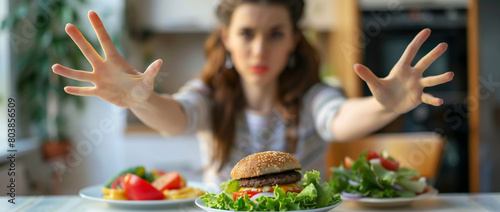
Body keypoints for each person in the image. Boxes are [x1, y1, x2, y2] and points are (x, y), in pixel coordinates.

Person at [52, 0, 453, 187]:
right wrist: (142, 100)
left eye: (275, 34)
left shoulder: (314, 94)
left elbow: (340, 118)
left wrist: (383, 106)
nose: (259, 49)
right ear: (226, 37)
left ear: (294, 40)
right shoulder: (209, 93)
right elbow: (178, 118)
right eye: (246, 34)